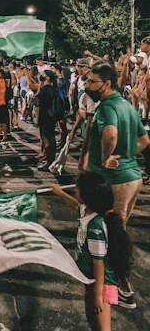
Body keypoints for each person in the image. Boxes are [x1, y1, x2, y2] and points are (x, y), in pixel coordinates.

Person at [85, 61, 150, 308]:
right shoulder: (126, 105)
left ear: (107, 83)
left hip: (117, 181)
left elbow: (110, 134)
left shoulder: (108, 107)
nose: (87, 85)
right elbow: (144, 140)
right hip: (131, 178)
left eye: (92, 81)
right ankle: (117, 282)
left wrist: (105, 160)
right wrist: (124, 155)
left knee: (112, 233)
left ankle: (123, 287)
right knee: (116, 229)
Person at [52, 171, 134, 330]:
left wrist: (97, 296)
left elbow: (98, 262)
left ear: (87, 196)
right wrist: (59, 193)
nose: (75, 191)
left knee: (101, 327)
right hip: (92, 281)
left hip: (100, 285)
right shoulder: (89, 212)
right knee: (93, 322)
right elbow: (75, 205)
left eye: (77, 189)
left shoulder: (96, 226)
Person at [35, 70, 58, 171]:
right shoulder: (51, 88)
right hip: (49, 117)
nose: (41, 76)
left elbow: (38, 100)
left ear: (48, 77)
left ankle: (50, 162)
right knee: (50, 138)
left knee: (46, 139)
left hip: (45, 116)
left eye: (43, 75)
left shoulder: (46, 88)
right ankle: (50, 160)